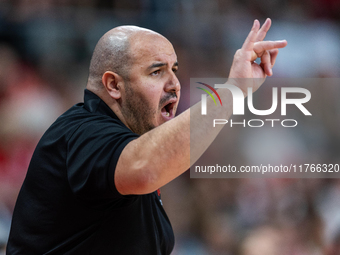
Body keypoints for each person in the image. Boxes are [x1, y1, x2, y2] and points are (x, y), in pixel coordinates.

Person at [6, 19, 287, 254]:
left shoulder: (127, 142)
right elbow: (146, 169)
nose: (175, 84)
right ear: (114, 85)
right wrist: (233, 90)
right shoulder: (82, 132)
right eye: (157, 71)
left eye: (175, 70)